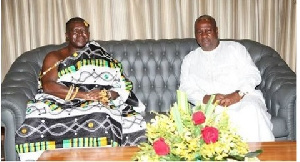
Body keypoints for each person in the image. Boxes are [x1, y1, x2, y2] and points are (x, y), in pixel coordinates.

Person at [15, 17, 146, 161]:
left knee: (103, 114)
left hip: (98, 100)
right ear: (67, 35)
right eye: (76, 31)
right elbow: (48, 86)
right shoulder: (55, 56)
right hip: (62, 99)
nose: (81, 34)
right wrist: (84, 95)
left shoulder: (102, 56)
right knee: (36, 116)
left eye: (84, 31)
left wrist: (105, 93)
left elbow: (120, 87)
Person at [179, 15, 275, 142]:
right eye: (199, 32)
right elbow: (185, 87)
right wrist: (207, 98)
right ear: (195, 35)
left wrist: (238, 94)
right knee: (209, 120)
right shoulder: (190, 59)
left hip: (242, 99)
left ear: (216, 31)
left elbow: (252, 74)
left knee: (251, 111)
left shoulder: (235, 48)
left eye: (208, 30)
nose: (204, 35)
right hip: (210, 105)